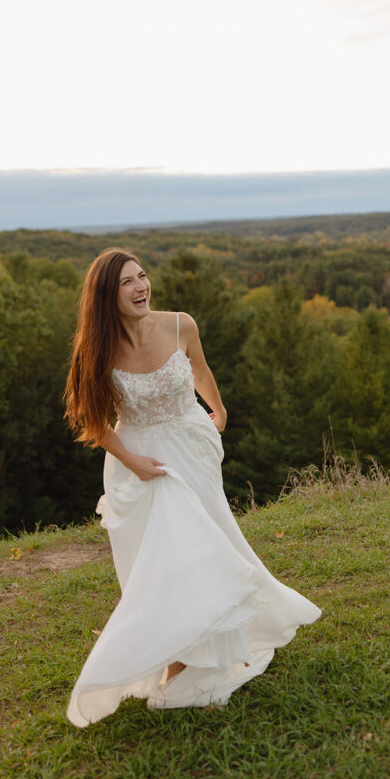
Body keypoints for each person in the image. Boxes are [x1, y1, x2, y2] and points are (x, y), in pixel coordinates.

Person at [64, 247, 320, 727]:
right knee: (163, 564)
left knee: (209, 547)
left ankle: (211, 648)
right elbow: (91, 420)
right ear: (105, 295)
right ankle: (176, 656)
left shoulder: (181, 324)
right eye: (127, 283)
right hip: (144, 463)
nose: (141, 287)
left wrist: (218, 410)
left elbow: (200, 371)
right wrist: (132, 460)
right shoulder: (95, 347)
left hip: (192, 448)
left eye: (142, 277)